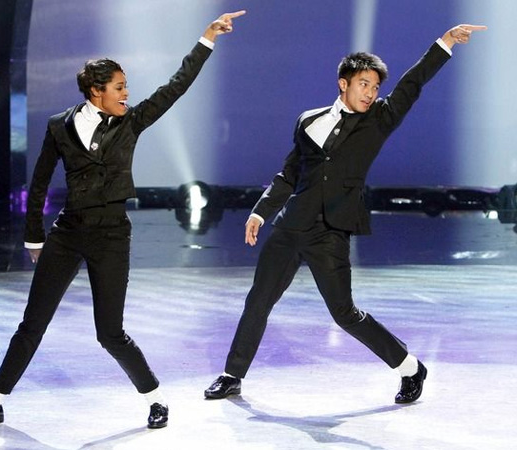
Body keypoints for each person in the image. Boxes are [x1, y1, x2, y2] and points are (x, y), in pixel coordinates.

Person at [0, 10, 246, 429]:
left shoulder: (131, 122)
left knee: (109, 333)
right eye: (119, 86)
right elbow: (39, 182)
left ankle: (155, 398)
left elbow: (176, 86)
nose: (127, 93)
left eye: (126, 86)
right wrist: (34, 237)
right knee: (32, 325)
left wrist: (207, 38)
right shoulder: (60, 126)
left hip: (112, 235)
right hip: (68, 232)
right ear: (96, 91)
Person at [205, 24, 486, 403]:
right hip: (290, 227)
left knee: (344, 313)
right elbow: (289, 174)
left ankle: (410, 367)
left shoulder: (379, 119)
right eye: (364, 84)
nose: (371, 93)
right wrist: (260, 211)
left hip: (331, 232)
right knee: (258, 301)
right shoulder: (309, 120)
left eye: (375, 87)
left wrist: (446, 42)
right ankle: (231, 374)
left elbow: (413, 83)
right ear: (344, 83)